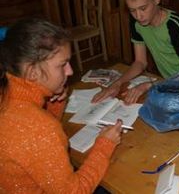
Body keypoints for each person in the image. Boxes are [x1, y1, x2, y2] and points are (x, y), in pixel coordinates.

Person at [0, 18, 123, 194]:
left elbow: (36, 146)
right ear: (32, 72)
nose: (70, 71)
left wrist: (54, 101)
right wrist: (105, 145)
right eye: (62, 65)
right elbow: (74, 191)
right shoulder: (39, 129)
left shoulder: (7, 94)